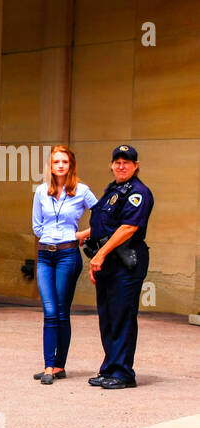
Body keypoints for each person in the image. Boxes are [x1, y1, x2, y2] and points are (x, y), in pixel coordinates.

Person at [80, 145, 153, 390]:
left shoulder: (138, 192)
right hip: (108, 261)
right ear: (111, 164)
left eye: (127, 162)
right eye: (117, 162)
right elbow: (106, 225)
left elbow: (128, 228)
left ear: (136, 165)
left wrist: (99, 254)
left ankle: (123, 373)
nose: (121, 166)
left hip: (125, 262)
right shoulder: (112, 190)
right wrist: (84, 236)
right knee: (108, 317)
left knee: (122, 316)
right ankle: (110, 367)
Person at [30, 146, 98, 384]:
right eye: (56, 161)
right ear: (50, 165)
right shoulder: (41, 191)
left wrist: (79, 235)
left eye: (64, 162)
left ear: (71, 165)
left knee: (61, 311)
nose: (60, 165)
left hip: (68, 255)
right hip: (45, 255)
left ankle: (58, 366)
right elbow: (36, 226)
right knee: (49, 311)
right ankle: (49, 366)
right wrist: (51, 235)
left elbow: (103, 217)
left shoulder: (82, 190)